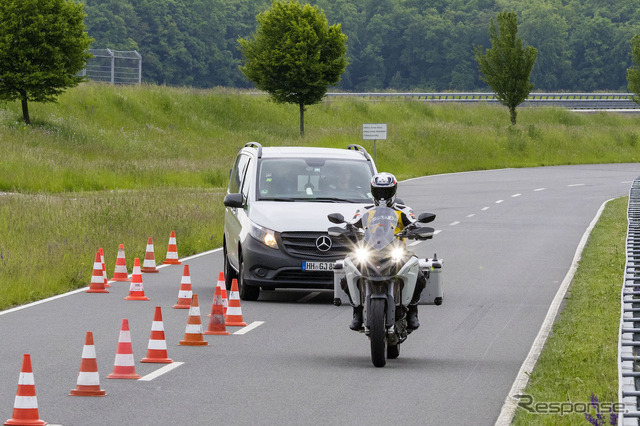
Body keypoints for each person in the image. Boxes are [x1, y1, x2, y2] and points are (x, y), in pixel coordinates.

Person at [347, 172, 427, 331]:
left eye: (386, 191)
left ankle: (412, 311)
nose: (382, 196)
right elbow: (351, 225)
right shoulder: (364, 210)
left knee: (419, 274)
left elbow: (415, 223)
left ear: (394, 191)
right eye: (379, 191)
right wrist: (346, 230)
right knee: (348, 270)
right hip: (369, 250)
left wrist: (417, 229)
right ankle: (356, 311)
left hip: (397, 250)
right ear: (373, 191)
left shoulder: (403, 210)